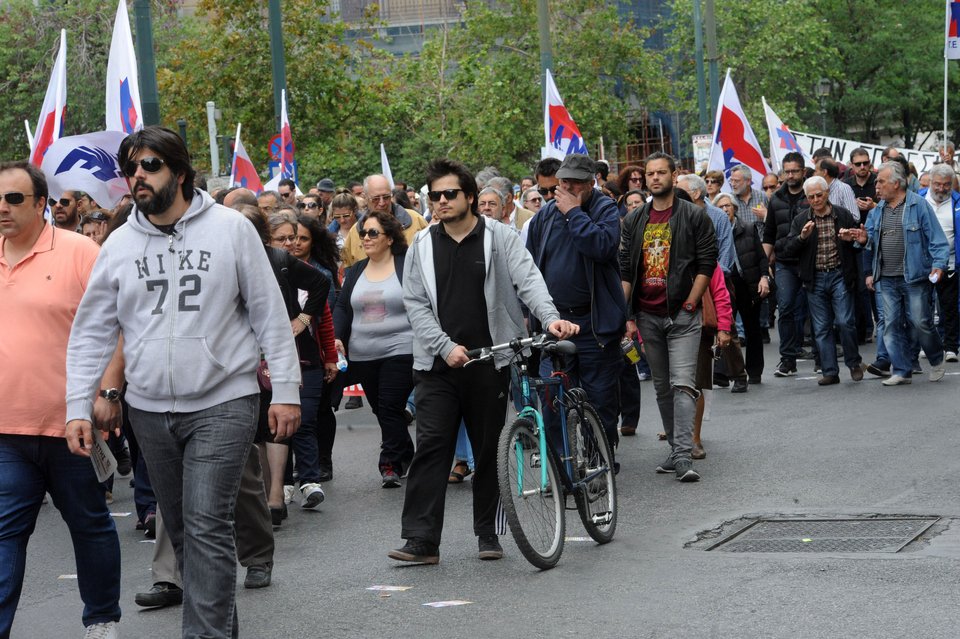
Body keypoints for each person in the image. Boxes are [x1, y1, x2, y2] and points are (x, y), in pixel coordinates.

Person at [65, 126, 302, 639]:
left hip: (225, 399)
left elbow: (268, 314)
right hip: (149, 410)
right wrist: (77, 407)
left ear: (180, 172)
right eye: (131, 168)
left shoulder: (231, 230)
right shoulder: (120, 243)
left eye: (149, 166)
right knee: (186, 531)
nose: (138, 177)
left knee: (207, 523)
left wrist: (285, 391)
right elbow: (91, 332)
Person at [389, 158, 578, 565]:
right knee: (432, 447)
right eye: (434, 195)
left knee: (489, 449)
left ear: (470, 197)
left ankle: (487, 533)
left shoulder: (500, 237)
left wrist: (550, 318)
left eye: (449, 194)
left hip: (490, 361)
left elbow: (529, 281)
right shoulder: (421, 245)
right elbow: (415, 305)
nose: (440, 201)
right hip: (437, 366)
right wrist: (443, 347)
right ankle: (421, 540)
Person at [0, 161, 121, 639]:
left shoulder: (79, 252)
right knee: (5, 533)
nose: (2, 208)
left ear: (41, 204)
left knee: (89, 524)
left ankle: (101, 619)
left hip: (73, 425)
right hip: (6, 429)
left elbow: (119, 328)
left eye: (13, 199)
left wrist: (108, 393)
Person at [621, 152, 718, 482]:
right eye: (650, 173)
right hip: (647, 315)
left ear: (673, 175)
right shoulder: (635, 220)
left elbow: (707, 264)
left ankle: (681, 454)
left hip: (682, 315)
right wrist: (627, 314)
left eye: (662, 172)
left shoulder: (693, 216)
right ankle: (676, 450)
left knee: (682, 385)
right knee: (662, 387)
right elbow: (625, 269)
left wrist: (691, 303)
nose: (655, 178)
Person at [525, 153, 627, 453]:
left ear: (591, 182)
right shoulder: (544, 216)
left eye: (574, 183)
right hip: (555, 325)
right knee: (552, 401)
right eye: (563, 182)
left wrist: (574, 213)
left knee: (599, 403)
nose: (566, 188)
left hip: (594, 326)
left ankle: (599, 461)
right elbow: (529, 268)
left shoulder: (604, 208)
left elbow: (602, 246)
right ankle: (561, 469)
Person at [334, 209, 415, 488]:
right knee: (381, 410)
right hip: (363, 353)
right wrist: (337, 336)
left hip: (401, 349)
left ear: (390, 238)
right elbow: (343, 307)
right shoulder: (356, 271)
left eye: (372, 233)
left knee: (390, 406)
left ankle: (389, 463)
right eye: (363, 233)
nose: (366, 238)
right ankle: (405, 451)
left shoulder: (406, 266)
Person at [854, 161, 949, 386]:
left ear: (896, 184)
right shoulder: (877, 210)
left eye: (881, 182)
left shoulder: (919, 206)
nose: (876, 186)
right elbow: (869, 239)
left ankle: (936, 359)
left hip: (914, 277)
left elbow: (937, 239)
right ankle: (902, 370)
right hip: (885, 277)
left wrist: (939, 264)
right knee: (890, 324)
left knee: (920, 322)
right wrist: (861, 239)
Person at [781, 177, 864, 385]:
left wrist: (852, 240)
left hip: (839, 274)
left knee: (845, 322)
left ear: (827, 193)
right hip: (814, 277)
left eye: (819, 195)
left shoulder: (842, 215)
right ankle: (829, 371)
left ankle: (854, 362)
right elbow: (788, 249)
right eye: (811, 197)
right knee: (821, 326)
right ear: (807, 198)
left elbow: (859, 242)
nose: (816, 200)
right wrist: (801, 237)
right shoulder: (801, 220)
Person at [763, 152, 809, 377]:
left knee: (814, 309)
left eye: (794, 171)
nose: (790, 175)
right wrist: (764, 266)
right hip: (784, 263)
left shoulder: (812, 195)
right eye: (787, 171)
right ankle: (788, 360)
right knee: (786, 307)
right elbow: (769, 233)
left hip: (810, 260)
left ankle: (822, 358)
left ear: (803, 172)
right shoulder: (776, 199)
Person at [716, 193, 770, 385]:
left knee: (752, 328)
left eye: (728, 206)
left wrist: (764, 278)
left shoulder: (747, 228)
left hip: (746, 283)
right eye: (720, 207)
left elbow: (762, 257)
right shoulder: (714, 231)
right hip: (724, 284)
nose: (724, 210)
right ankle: (723, 372)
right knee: (725, 329)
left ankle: (754, 371)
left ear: (734, 208)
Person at [341, 174, 427, 267]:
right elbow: (348, 269)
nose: (382, 203)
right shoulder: (355, 233)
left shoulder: (415, 220)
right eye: (375, 199)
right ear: (365, 197)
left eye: (386, 197)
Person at [921, 164, 960, 362]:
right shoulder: (918, 199)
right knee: (923, 306)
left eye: (946, 185)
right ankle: (927, 344)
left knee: (949, 306)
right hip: (922, 263)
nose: (941, 189)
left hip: (950, 263)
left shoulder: (957, 201)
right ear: (929, 181)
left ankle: (951, 346)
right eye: (937, 184)